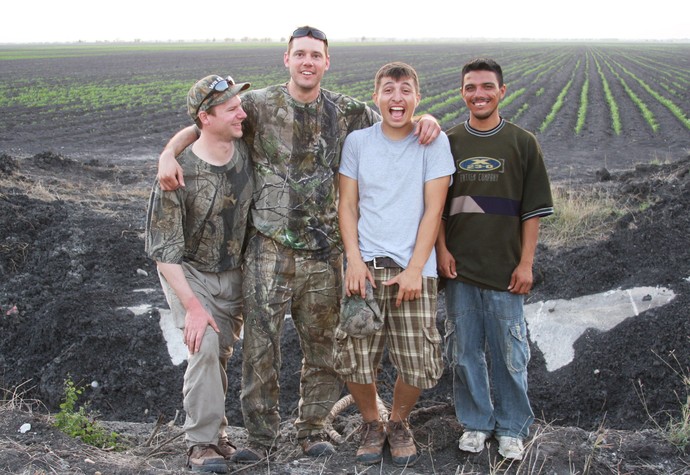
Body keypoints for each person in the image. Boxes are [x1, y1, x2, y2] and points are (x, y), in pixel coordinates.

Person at [156, 27, 442, 462]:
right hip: (267, 249)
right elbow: (207, 121)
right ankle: (263, 438)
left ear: (327, 63)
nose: (308, 62)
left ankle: (312, 428)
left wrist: (428, 120)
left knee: (323, 345)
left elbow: (395, 116)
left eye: (316, 56)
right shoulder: (256, 105)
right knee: (260, 347)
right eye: (300, 54)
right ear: (286, 59)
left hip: (324, 252)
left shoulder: (348, 112)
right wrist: (168, 153)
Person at [336, 62, 455, 467]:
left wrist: (415, 268)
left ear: (417, 98)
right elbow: (347, 205)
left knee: (420, 359)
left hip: (414, 271)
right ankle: (372, 422)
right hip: (364, 269)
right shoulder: (357, 143)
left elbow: (434, 209)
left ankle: (399, 421)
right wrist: (353, 259)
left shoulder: (432, 144)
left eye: (405, 91)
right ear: (377, 98)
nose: (397, 98)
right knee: (355, 353)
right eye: (389, 90)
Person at [436, 58, 554, 461]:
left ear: (502, 92)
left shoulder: (522, 143)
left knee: (509, 354)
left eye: (487, 87)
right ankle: (475, 423)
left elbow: (533, 211)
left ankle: (511, 428)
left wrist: (525, 263)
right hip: (460, 271)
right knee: (464, 351)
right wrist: (442, 250)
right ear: (462, 92)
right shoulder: (449, 143)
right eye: (471, 87)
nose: (479, 94)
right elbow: (437, 209)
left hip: (506, 272)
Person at [145, 73, 253, 473]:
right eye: (231, 109)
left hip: (234, 273)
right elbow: (163, 252)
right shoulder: (177, 173)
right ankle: (199, 444)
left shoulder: (245, 145)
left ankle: (218, 434)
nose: (242, 113)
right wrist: (191, 305)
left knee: (219, 353)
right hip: (189, 274)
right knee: (203, 343)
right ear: (206, 118)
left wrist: (167, 147)